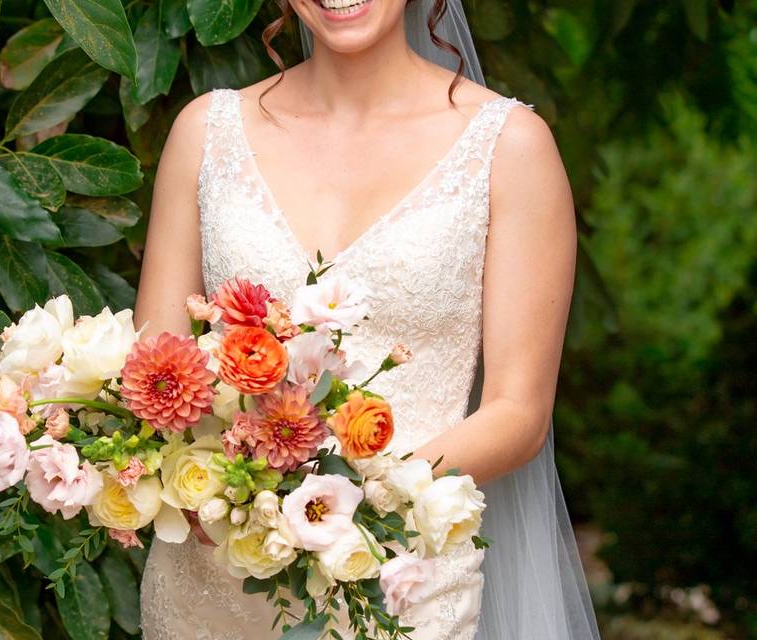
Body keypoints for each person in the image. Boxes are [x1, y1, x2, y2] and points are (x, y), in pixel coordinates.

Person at [134, 0, 600, 638]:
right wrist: (217, 488)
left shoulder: (509, 147)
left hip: (395, 575)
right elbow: (153, 367)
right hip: (214, 571)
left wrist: (356, 496)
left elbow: (519, 413)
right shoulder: (204, 132)